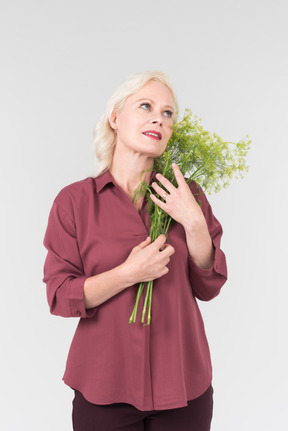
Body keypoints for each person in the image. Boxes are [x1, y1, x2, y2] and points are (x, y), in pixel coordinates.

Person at [43, 71, 227, 431]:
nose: (159, 117)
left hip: (184, 385)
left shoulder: (187, 195)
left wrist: (193, 224)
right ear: (115, 117)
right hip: (104, 386)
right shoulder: (74, 202)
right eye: (146, 106)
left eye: (168, 113)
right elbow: (60, 296)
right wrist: (128, 273)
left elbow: (209, 286)